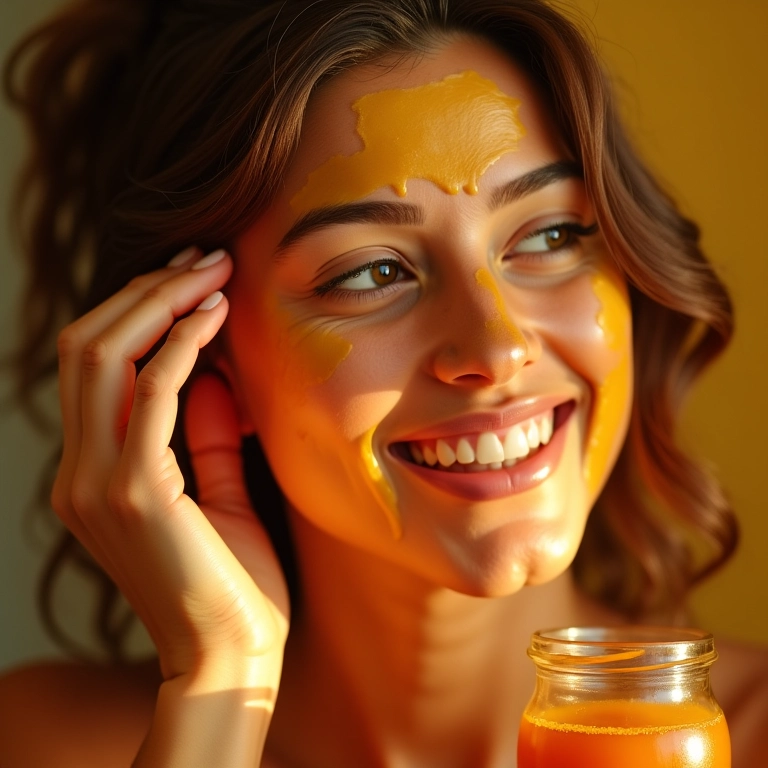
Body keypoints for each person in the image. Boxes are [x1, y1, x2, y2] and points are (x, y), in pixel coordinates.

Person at [1, 0, 766, 765]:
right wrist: (221, 685)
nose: (496, 349)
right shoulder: (48, 743)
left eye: (551, 235)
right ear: (204, 359)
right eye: (373, 272)